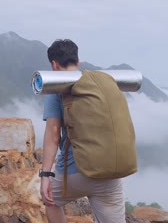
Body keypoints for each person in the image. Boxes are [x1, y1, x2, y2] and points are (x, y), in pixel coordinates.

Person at [40, 39, 125, 223]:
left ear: (54, 64)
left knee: (50, 200)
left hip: (73, 174)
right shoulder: (100, 83)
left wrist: (45, 176)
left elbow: (53, 134)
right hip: (109, 172)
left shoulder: (55, 87)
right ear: (78, 62)